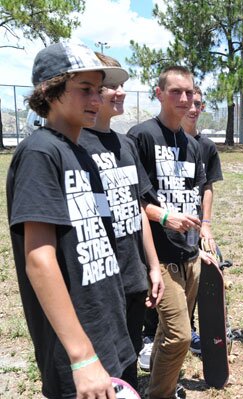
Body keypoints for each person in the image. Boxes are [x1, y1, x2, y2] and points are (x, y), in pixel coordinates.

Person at [6, 42, 133, 398]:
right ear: (50, 91)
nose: (97, 98)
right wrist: (81, 357)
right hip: (77, 350)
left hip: (107, 331)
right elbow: (39, 259)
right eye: (84, 89)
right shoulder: (40, 152)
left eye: (99, 89)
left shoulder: (81, 153)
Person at [127, 65, 216, 399]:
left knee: (171, 332)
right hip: (158, 254)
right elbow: (132, 202)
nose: (184, 98)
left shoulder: (192, 146)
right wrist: (164, 217)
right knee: (179, 334)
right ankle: (159, 393)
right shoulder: (142, 136)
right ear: (159, 93)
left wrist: (200, 243)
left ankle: (165, 383)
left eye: (189, 92)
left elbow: (194, 200)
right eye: (176, 91)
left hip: (188, 254)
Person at [78, 53, 165, 391]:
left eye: (122, 86)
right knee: (100, 368)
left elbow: (138, 207)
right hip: (97, 282)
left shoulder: (125, 144)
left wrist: (153, 266)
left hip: (132, 276)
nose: (121, 93)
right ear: (92, 93)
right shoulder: (72, 145)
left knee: (128, 362)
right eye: (112, 86)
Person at [180, 85, 224, 354]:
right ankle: (151, 335)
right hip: (166, 223)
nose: (194, 109)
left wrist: (205, 224)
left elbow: (207, 187)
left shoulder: (207, 147)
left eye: (199, 104)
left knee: (196, 276)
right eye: (190, 103)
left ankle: (192, 329)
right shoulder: (162, 140)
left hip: (194, 225)